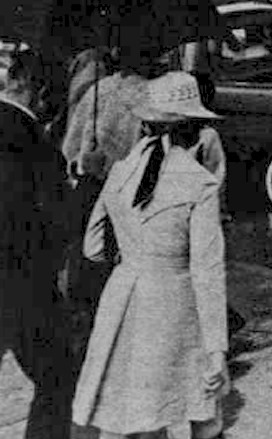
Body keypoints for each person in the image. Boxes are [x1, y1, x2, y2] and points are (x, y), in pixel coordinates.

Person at [72, 71, 229, 439]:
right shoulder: (199, 183)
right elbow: (207, 272)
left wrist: (131, 253)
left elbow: (93, 247)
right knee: (187, 412)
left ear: (145, 123)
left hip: (122, 299)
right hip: (174, 306)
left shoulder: (121, 171)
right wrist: (217, 349)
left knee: (123, 411)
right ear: (195, 125)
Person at [0, 49, 75, 439]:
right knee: (59, 375)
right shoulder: (32, 140)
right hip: (24, 284)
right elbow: (54, 217)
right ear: (38, 89)